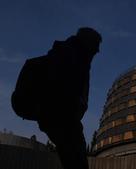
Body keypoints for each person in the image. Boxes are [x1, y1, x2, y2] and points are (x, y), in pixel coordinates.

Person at [32, 27, 101, 169]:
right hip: (62, 118)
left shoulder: (70, 56)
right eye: (95, 48)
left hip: (60, 118)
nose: (96, 52)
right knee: (75, 157)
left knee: (73, 157)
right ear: (87, 43)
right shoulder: (71, 58)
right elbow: (64, 90)